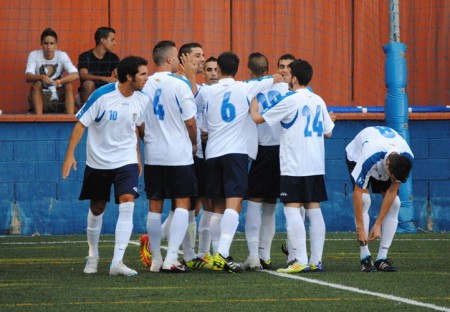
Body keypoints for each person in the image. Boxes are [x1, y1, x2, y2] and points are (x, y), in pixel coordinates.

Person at [62, 55, 150, 276]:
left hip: (126, 161)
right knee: (97, 207)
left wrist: (138, 158)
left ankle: (117, 263)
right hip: (98, 162)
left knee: (128, 201)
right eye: (142, 74)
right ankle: (93, 255)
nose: (146, 78)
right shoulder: (101, 96)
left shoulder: (143, 99)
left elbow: (135, 129)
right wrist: (70, 155)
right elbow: (81, 125)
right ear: (129, 76)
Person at [196, 51, 283, 273]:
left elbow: (202, 122)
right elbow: (274, 77)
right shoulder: (246, 87)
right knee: (234, 203)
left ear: (219, 70)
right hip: (235, 153)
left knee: (216, 207)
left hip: (212, 153)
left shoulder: (207, 91)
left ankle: (217, 254)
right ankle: (223, 254)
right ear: (237, 69)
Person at [250, 59, 335, 273]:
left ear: (295, 78)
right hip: (315, 164)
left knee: (292, 209)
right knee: (314, 209)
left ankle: (300, 259)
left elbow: (259, 119)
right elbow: (329, 132)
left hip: (295, 164)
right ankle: (316, 260)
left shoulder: (290, 100)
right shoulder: (318, 100)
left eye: (289, 72)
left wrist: (253, 104)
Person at [138, 40, 198, 273]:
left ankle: (156, 259)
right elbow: (191, 123)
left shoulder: (144, 84)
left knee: (155, 205)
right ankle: (173, 257)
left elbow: (139, 124)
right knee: (182, 203)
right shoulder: (180, 84)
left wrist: (149, 141)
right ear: (170, 59)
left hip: (154, 154)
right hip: (179, 155)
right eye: (178, 57)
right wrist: (193, 143)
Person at [241, 52, 290, 271]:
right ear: (272, 68)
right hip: (283, 151)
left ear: (250, 70)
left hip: (260, 150)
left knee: (253, 201)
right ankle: (265, 255)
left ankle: (253, 255)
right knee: (271, 205)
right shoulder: (284, 88)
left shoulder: (247, 88)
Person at [345, 126, 413, 272]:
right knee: (364, 200)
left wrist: (378, 224)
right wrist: (360, 229)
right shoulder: (370, 156)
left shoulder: (406, 157)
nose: (391, 180)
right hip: (358, 156)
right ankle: (365, 256)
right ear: (387, 165)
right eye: (391, 176)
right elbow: (357, 193)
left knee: (395, 203)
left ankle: (381, 257)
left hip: (383, 155)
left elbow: (393, 190)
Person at [25, 28, 79, 114]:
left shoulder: (61, 55)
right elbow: (28, 77)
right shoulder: (34, 54)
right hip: (41, 96)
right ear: (41, 44)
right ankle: (39, 119)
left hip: (57, 96)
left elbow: (76, 75)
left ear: (56, 45)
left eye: (51, 43)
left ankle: (71, 117)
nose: (48, 47)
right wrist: (41, 77)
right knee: (37, 84)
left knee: (68, 84)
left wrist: (60, 81)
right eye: (45, 43)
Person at [78, 26, 120, 105]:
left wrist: (117, 79)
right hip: (89, 92)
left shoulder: (113, 57)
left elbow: (118, 75)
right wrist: (103, 78)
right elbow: (83, 75)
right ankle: (86, 113)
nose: (115, 43)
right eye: (112, 40)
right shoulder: (85, 56)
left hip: (106, 91)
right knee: (88, 84)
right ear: (103, 40)